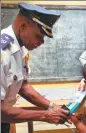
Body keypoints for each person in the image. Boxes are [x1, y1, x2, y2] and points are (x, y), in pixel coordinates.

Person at [1, 3, 70, 133]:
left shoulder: (22, 49)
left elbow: (23, 87)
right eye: (39, 36)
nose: (42, 42)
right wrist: (44, 115)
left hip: (4, 121)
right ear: (23, 26)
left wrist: (52, 107)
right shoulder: (3, 52)